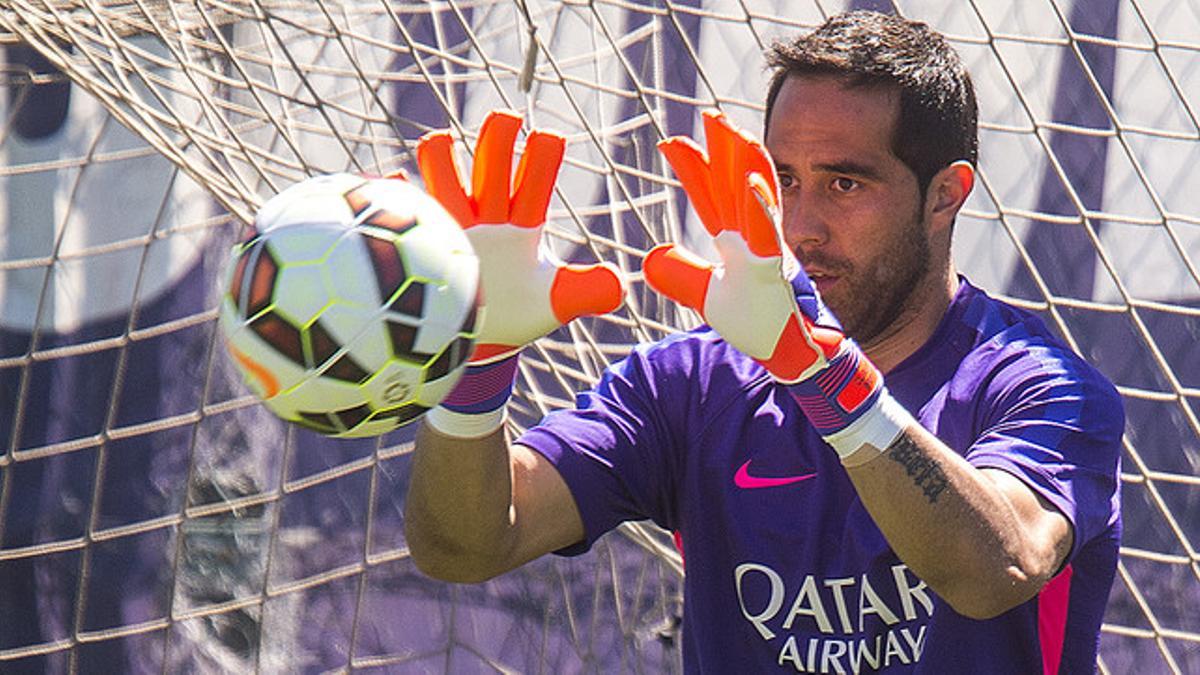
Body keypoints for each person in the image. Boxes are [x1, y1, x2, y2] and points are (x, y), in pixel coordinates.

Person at [404, 10, 1123, 673]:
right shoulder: (691, 383)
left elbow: (993, 568)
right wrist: (478, 363)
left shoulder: (1047, 387)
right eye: (783, 179)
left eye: (844, 183)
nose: (801, 224)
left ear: (946, 193)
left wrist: (822, 374)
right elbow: (464, 545)